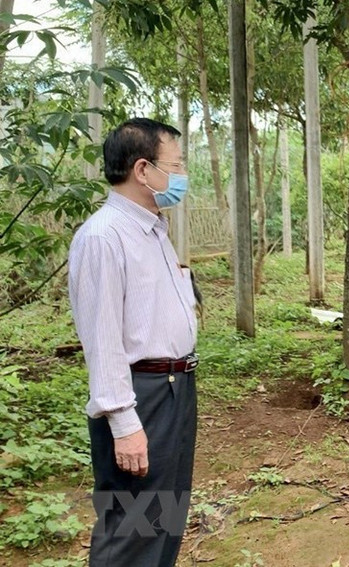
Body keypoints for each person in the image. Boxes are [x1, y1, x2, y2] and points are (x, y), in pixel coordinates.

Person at [68, 117, 198, 567]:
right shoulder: (104, 237)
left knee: (166, 514)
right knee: (132, 525)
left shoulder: (154, 229)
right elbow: (101, 338)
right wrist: (124, 423)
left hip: (175, 388)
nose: (181, 176)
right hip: (140, 396)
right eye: (175, 165)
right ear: (143, 170)